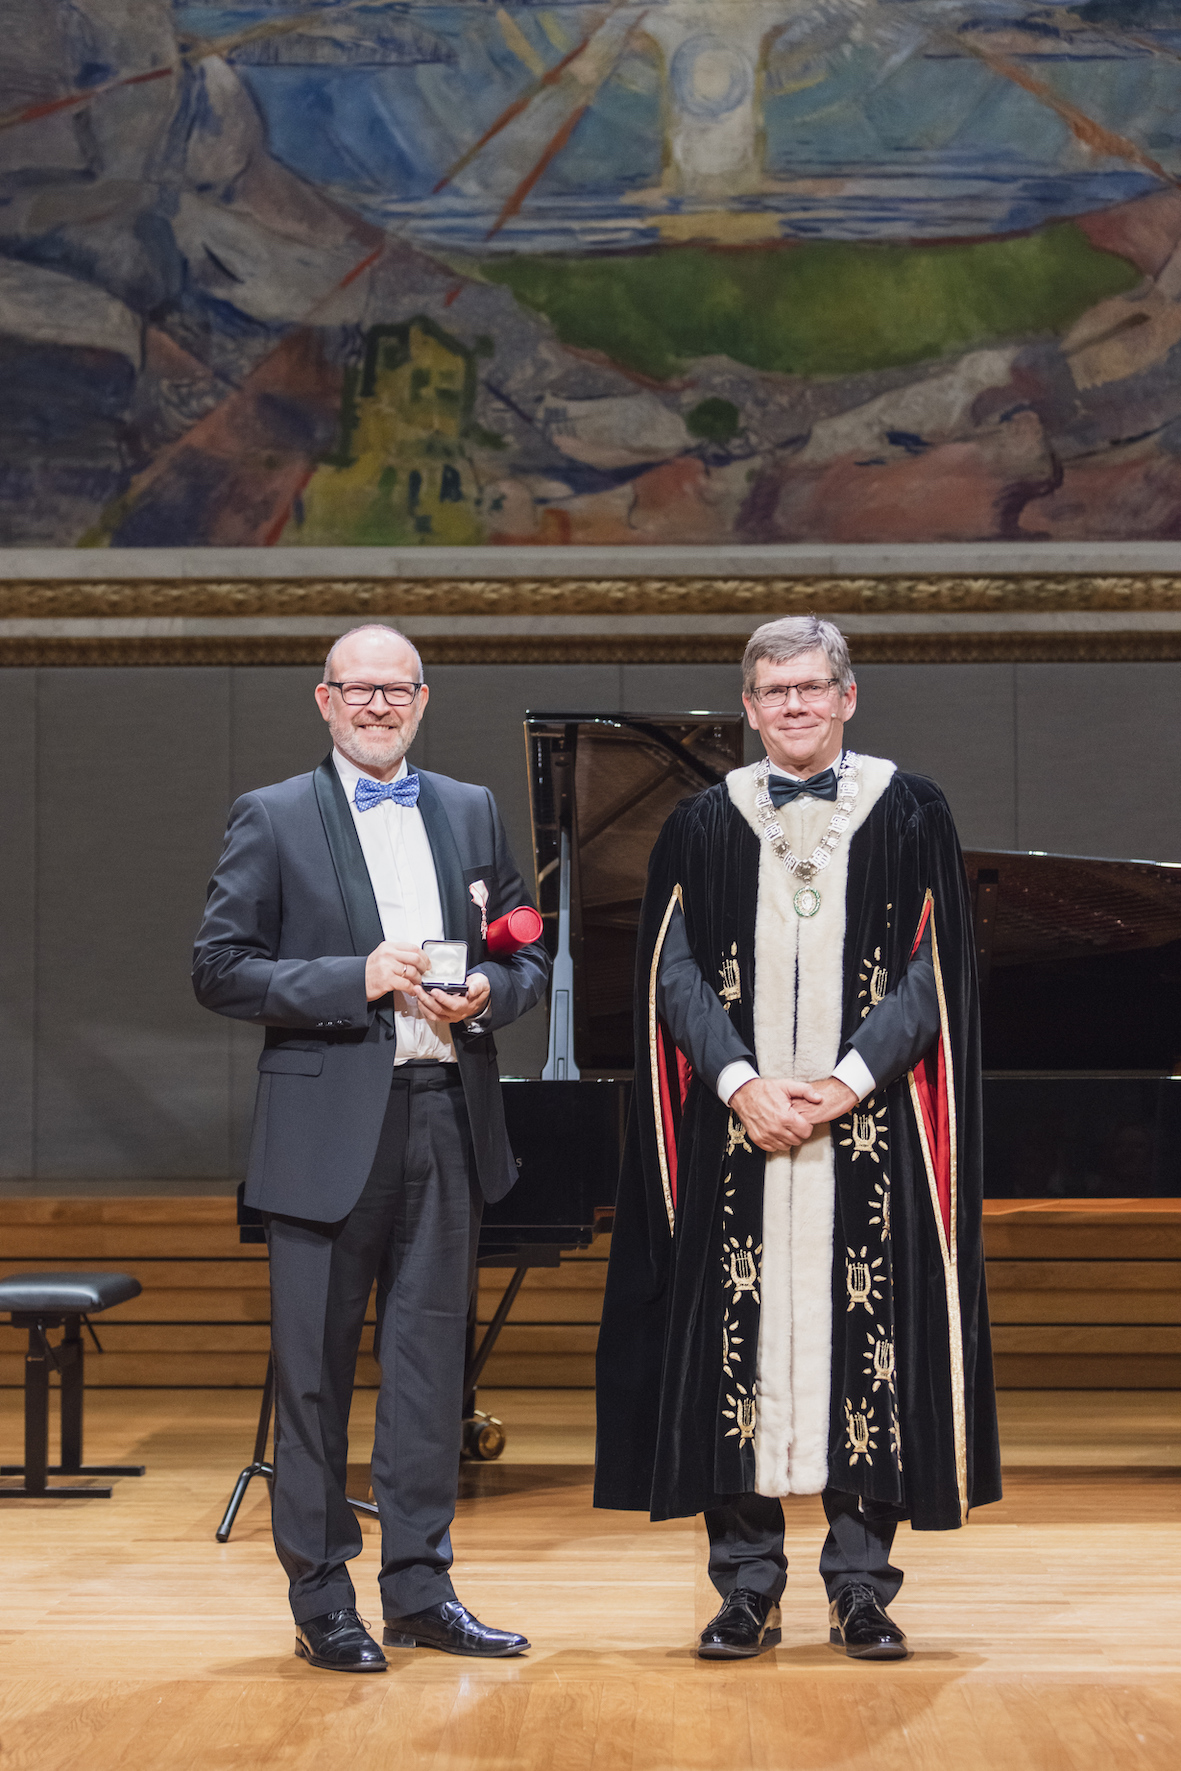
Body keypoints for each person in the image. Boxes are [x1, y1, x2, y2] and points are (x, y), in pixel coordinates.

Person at [595, 615, 1001, 1661]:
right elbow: (669, 972)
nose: (792, 706)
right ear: (747, 705)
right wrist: (737, 1082)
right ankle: (744, 1585)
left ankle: (859, 1586)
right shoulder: (699, 820)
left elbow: (936, 972)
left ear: (846, 696)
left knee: (871, 1350)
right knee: (729, 1355)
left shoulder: (911, 810)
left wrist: (842, 1081)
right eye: (772, 691)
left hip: (871, 1132)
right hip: (737, 1134)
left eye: (811, 688)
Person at [193, 624, 550, 1672]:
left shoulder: (471, 808)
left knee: (430, 1371)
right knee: (310, 1379)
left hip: (446, 1109)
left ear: (423, 699)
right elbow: (219, 968)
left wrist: (497, 991)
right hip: (323, 1130)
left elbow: (526, 939)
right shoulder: (272, 815)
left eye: (397, 689)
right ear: (324, 700)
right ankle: (321, 1600)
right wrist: (353, 976)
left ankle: (420, 1589)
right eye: (360, 689)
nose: (379, 705)